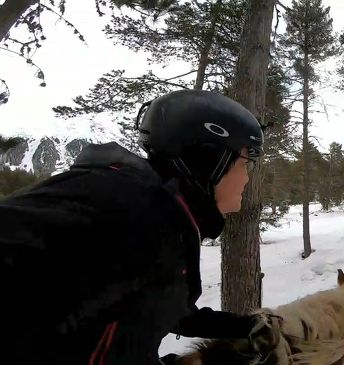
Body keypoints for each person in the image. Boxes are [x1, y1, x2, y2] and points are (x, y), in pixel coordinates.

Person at [0, 90, 282, 364]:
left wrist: (241, 327)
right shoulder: (133, 212)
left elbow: (150, 302)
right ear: (209, 160)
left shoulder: (155, 214)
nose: (247, 178)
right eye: (246, 163)